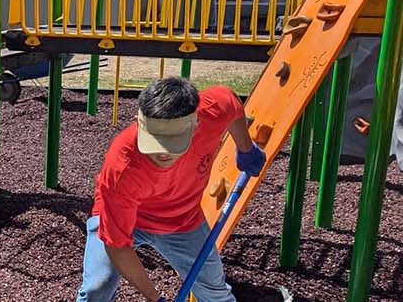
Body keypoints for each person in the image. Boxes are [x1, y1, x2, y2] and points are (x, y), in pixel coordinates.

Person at [77, 77, 266, 302]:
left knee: (216, 295)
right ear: (140, 121)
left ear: (196, 123)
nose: (162, 152)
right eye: (155, 141)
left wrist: (245, 148)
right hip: (128, 216)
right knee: (96, 290)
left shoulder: (212, 110)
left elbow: (231, 104)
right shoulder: (122, 167)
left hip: (182, 221)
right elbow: (117, 246)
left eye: (173, 141)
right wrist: (155, 299)